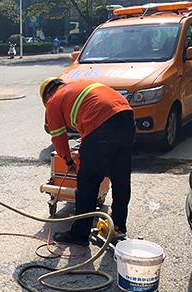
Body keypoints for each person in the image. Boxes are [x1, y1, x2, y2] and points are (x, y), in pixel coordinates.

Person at [40, 77, 135, 246]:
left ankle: (79, 234)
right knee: (120, 178)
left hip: (101, 125)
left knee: (87, 182)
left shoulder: (54, 101)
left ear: (47, 96)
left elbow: (58, 138)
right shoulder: (78, 85)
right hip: (126, 117)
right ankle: (118, 228)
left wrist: (69, 161)